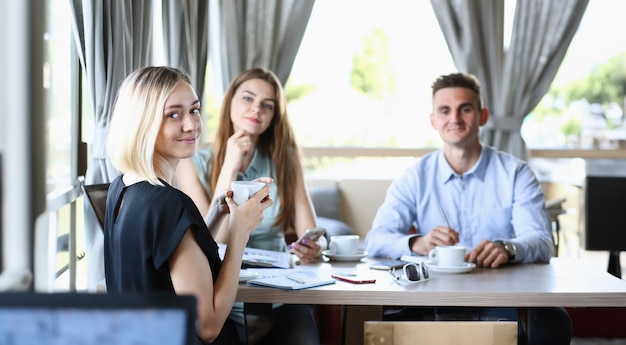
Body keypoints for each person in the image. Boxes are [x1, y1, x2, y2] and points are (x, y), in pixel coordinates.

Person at [363, 72, 572, 345]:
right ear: (433, 121)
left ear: (482, 116)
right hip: (432, 295)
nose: (455, 119)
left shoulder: (516, 174)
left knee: (554, 322)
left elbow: (542, 241)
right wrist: (418, 243)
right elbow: (375, 240)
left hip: (502, 295)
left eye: (465, 109)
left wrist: (509, 249)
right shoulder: (415, 176)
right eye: (445, 111)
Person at [104, 66, 274, 345]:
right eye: (174, 115)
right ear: (142, 123)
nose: (191, 125)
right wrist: (239, 234)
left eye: (194, 110)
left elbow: (167, 261)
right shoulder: (170, 204)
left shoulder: (121, 188)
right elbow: (208, 327)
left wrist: (218, 213)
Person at [176, 67, 324, 345]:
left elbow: (312, 231)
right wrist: (230, 162)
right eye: (247, 98)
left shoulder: (285, 158)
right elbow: (212, 240)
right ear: (229, 101)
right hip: (221, 297)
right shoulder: (192, 161)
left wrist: (315, 247)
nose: (256, 109)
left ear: (273, 116)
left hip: (280, 296)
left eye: (267, 105)